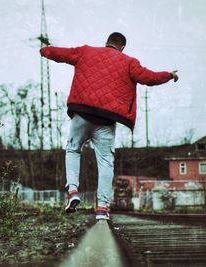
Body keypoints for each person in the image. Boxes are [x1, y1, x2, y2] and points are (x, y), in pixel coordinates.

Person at [40, 32, 178, 220]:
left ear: (106, 43)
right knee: (106, 161)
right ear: (122, 48)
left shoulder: (86, 51)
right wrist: (169, 75)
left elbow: (62, 54)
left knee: (73, 149)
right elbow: (149, 78)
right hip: (105, 120)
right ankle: (102, 209)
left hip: (81, 113)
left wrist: (45, 50)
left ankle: (72, 191)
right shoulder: (129, 61)